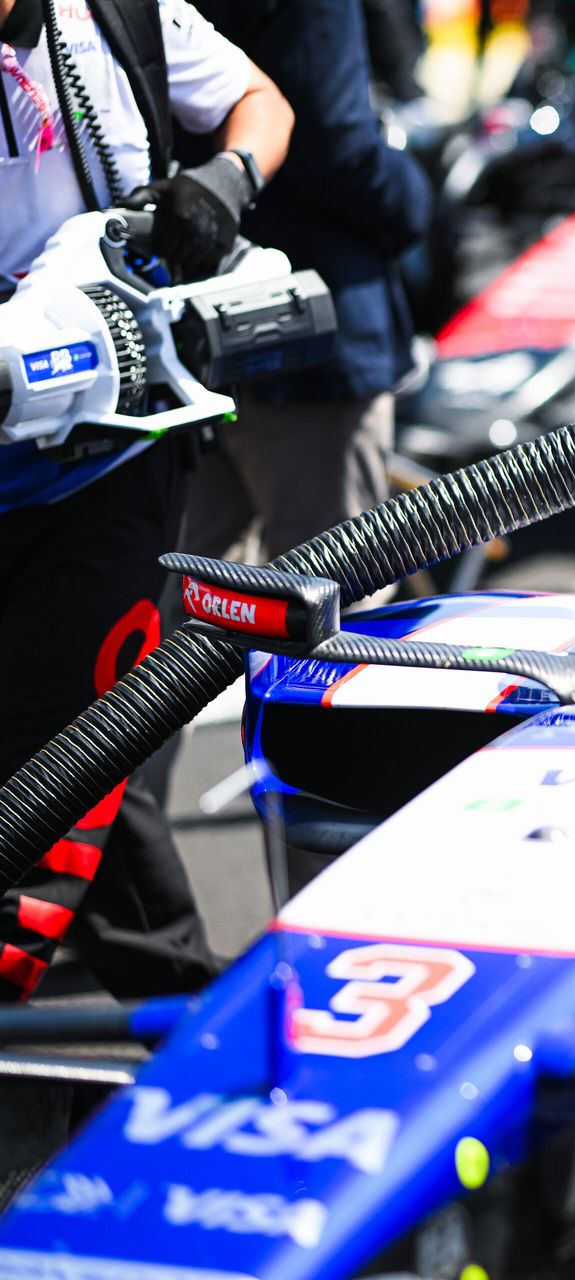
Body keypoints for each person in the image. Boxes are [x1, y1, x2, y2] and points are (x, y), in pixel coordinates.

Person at [0, 0, 291, 998]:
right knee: (93, 762)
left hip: (113, 459)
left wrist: (225, 181)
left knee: (53, 762)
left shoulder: (116, 12)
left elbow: (261, 101)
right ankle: (185, 1014)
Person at [173, 0, 429, 566]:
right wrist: (415, 198)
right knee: (339, 597)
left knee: (199, 597)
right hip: (311, 327)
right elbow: (334, 145)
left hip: (183, 326)